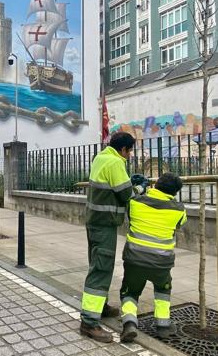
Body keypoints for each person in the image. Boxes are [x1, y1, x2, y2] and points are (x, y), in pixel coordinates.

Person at [80, 132, 140, 343]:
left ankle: (101, 307)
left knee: (96, 264)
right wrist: (139, 188)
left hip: (94, 222)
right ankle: (89, 322)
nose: (130, 155)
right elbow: (127, 195)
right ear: (123, 149)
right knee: (101, 269)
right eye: (130, 150)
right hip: (105, 224)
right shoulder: (115, 162)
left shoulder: (101, 157)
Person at [120, 172, 187, 343]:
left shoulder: (135, 202)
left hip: (135, 259)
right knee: (163, 289)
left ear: (155, 185)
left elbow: (128, 203)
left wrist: (139, 189)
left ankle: (129, 322)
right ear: (175, 192)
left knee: (130, 292)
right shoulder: (179, 210)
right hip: (162, 262)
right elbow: (180, 224)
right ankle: (163, 325)